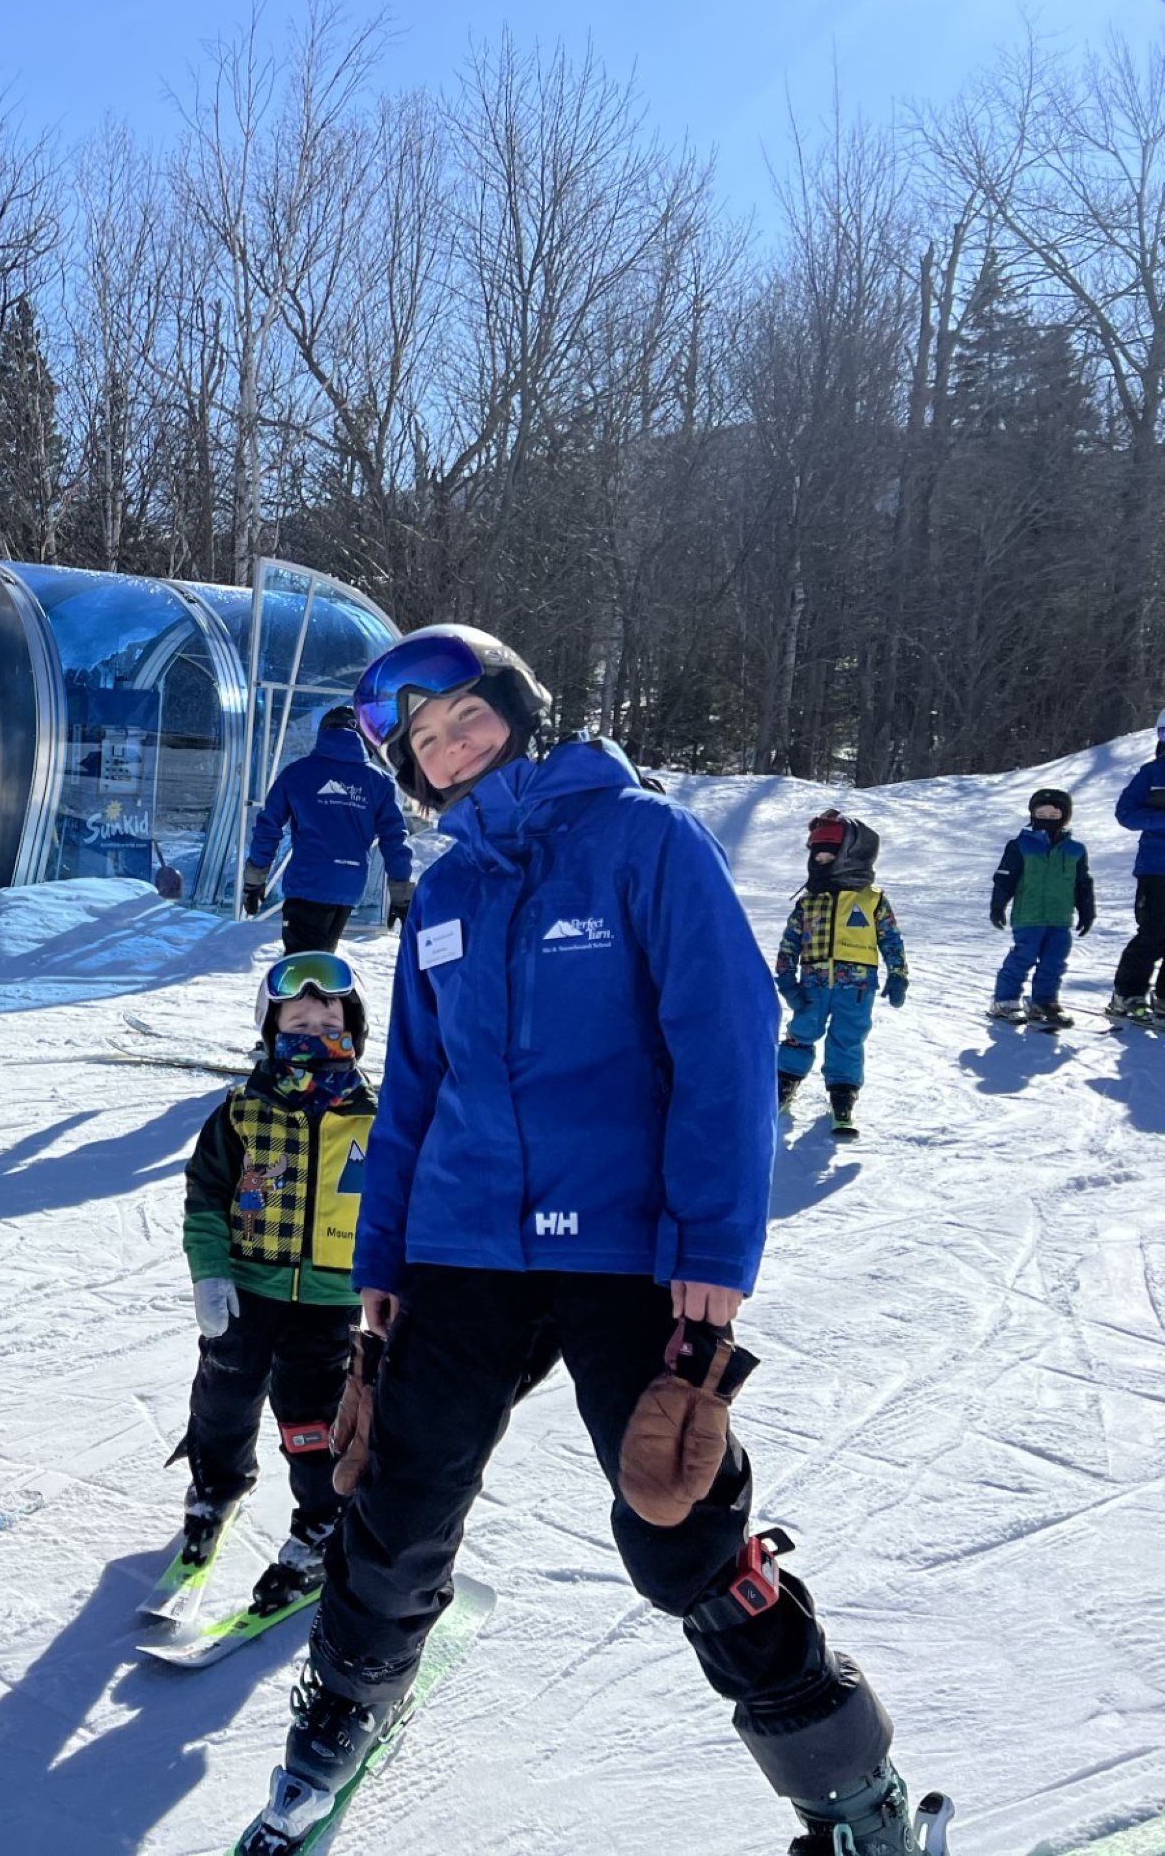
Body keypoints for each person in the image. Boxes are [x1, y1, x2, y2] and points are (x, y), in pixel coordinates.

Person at [244, 624, 939, 1856]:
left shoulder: (642, 842)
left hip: (625, 1248)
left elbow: (724, 1049)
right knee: (392, 1504)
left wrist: (713, 1259)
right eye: (422, 740)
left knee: (678, 1522)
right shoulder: (446, 886)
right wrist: (382, 1271)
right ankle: (344, 1710)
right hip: (460, 1247)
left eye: (464, 716)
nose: (449, 746)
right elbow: (411, 1091)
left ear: (515, 706)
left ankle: (847, 1791)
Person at [174, 951, 376, 1611]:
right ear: (270, 1031)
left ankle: (321, 1521)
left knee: (312, 1417)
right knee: (224, 1395)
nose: (315, 1028)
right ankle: (217, 1484)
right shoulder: (242, 1113)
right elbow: (206, 1194)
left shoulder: (382, 1119)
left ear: (354, 1027)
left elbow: (413, 1205)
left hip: (333, 1299)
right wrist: (209, 1272)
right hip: (247, 1288)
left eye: (329, 1017)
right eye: (297, 1018)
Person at [774, 812, 910, 1136]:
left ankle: (843, 1095)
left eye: (828, 852)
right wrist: (785, 979)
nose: (821, 858)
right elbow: (789, 942)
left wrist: (898, 973)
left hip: (857, 988)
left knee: (847, 1040)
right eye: (816, 852)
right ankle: (783, 1084)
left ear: (851, 855)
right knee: (801, 1032)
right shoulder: (809, 902)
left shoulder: (872, 900)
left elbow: (891, 937)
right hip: (813, 986)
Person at [243, 705, 416, 953]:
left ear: (324, 732)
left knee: (299, 968)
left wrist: (254, 880)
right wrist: (401, 893)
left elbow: (268, 827)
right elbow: (394, 839)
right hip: (349, 885)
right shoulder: (379, 782)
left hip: (306, 883)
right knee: (322, 960)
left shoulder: (297, 773)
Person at [989, 789, 1096, 1027]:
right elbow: (1005, 878)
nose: (1047, 816)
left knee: (1055, 961)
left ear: (1064, 816)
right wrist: (998, 906)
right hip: (1029, 915)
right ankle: (1004, 1001)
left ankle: (1043, 1001)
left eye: (1054, 812)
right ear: (1033, 814)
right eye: (1041, 812)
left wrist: (1087, 910)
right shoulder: (1020, 845)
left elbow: (1082, 882)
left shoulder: (1075, 849)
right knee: (1022, 957)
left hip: (1060, 917)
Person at [1107, 709, 1165, 1022]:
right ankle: (1127, 993)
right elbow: (1125, 813)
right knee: (1154, 931)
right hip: (1157, 867)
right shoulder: (1152, 773)